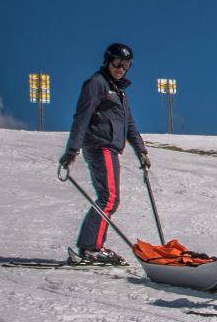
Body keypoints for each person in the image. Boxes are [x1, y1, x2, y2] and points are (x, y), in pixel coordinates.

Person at [59, 43, 149, 265]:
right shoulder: (96, 84)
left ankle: (92, 245)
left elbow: (129, 125)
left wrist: (141, 151)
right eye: (117, 63)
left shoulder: (119, 92)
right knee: (109, 198)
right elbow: (82, 116)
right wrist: (72, 149)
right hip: (100, 145)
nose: (120, 68)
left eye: (125, 64)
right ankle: (91, 248)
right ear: (108, 61)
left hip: (110, 147)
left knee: (109, 198)